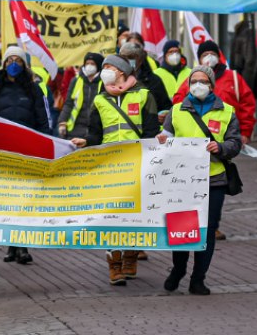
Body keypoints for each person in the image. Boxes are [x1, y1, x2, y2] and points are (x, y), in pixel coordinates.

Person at [70, 55, 160, 285]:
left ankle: (130, 256)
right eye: (104, 68)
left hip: (137, 165)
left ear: (122, 72)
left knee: (134, 215)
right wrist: (86, 142)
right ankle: (114, 263)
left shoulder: (143, 96)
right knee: (111, 215)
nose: (105, 71)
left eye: (109, 67)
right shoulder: (100, 100)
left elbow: (150, 131)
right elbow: (96, 133)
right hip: (110, 166)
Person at [158, 65, 242, 295]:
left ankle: (198, 278)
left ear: (212, 85)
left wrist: (221, 147)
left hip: (213, 180)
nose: (198, 85)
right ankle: (178, 270)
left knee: (207, 230)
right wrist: (162, 140)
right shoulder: (176, 111)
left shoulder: (226, 111)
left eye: (203, 81)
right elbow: (166, 139)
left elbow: (235, 144)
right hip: (181, 182)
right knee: (182, 228)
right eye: (194, 80)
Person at [173, 40, 255, 241]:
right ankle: (193, 227)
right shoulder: (191, 79)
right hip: (191, 150)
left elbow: (247, 105)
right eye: (205, 53)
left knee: (215, 188)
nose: (209, 57)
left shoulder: (233, 78)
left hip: (220, 145)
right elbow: (177, 103)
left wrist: (244, 132)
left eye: (213, 53)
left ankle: (213, 226)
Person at [0, 46, 49, 265]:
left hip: (27, 151)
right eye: (10, 60)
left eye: (18, 60)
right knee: (8, 199)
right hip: (3, 151)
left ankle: (22, 246)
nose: (14, 64)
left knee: (24, 199)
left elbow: (43, 120)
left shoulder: (34, 90)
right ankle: (12, 245)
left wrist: (47, 146)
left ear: (24, 65)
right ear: (3, 65)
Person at [57, 52, 103, 139]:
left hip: (95, 131)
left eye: (92, 64)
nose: (89, 66)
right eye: (87, 63)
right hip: (75, 129)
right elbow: (68, 103)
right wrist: (62, 122)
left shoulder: (104, 83)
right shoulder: (76, 80)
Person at [119, 42, 171, 114]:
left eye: (131, 57)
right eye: (123, 57)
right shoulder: (113, 80)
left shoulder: (154, 81)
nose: (126, 60)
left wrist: (161, 115)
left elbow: (166, 106)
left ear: (140, 59)